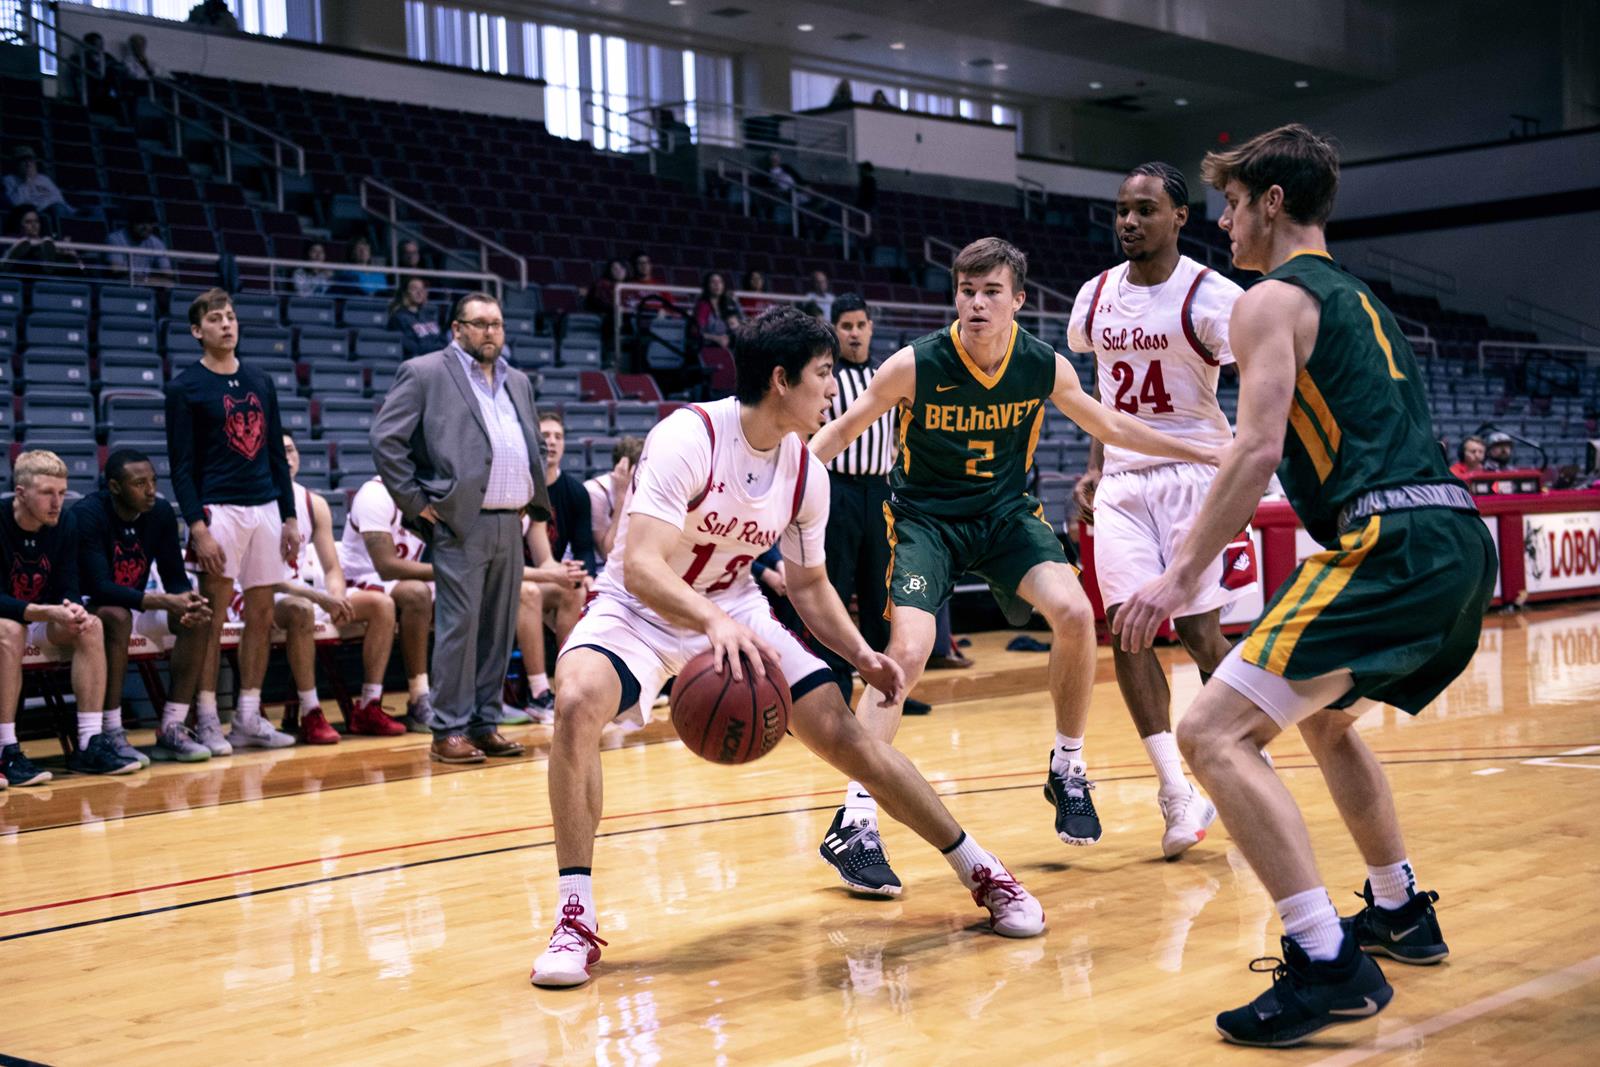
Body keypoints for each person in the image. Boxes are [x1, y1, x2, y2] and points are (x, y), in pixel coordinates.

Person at [1113, 124, 1496, 1047]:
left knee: (1211, 728)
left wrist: (1177, 576)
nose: (1223, 218)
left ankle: (1326, 958)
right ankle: (1400, 908)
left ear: (1272, 203)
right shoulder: (1362, 297)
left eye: (1234, 201)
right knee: (1324, 717)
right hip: (1457, 538)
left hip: (1391, 538)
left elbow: (1254, 449)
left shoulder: (1268, 299)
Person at [530, 306, 1046, 989]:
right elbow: (641, 566)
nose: (833, 389)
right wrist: (710, 623)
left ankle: (983, 871)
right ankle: (574, 917)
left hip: (736, 606)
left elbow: (808, 585)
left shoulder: (806, 469)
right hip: (642, 609)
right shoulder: (689, 435)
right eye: (824, 374)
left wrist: (862, 652)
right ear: (781, 380)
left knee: (853, 737)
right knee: (575, 703)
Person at [809, 237, 1222, 894]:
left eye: (990, 291)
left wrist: (1195, 449)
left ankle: (1068, 767)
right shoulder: (914, 364)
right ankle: (856, 817)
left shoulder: (1044, 366)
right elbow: (837, 433)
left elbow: (1110, 426)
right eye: (966, 291)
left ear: (1018, 300)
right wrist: (777, 492)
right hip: (926, 523)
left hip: (1005, 518)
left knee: (1077, 613)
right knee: (908, 653)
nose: (975, 303)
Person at [1067, 162, 1252, 859]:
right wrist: (1093, 467)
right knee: (1128, 631)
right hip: (1121, 481)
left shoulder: (1213, 295)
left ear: (1180, 216)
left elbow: (1270, 374)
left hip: (1195, 475)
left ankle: (1239, 752)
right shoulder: (1094, 297)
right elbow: (1099, 394)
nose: (1128, 221)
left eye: (1145, 209)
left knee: (1202, 636)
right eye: (1121, 209)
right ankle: (1175, 789)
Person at [370, 291, 554, 764]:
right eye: (480, 324)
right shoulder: (426, 372)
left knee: (497, 629)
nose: (490, 331)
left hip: (509, 521)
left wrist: (528, 496)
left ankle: (484, 722)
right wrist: (416, 503)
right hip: (461, 523)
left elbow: (525, 441)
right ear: (456, 329)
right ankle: (448, 728)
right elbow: (386, 439)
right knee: (459, 627)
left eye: (496, 323)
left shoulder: (517, 380)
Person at [165, 288, 302, 755]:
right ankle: (206, 717)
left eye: (231, 317)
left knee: (261, 615)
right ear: (197, 331)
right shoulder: (184, 388)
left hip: (264, 506)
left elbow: (275, 457)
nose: (227, 324)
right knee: (213, 616)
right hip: (217, 508)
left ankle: (247, 715)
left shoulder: (261, 380)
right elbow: (180, 466)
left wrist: (288, 516)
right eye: (216, 319)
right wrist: (197, 526)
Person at [74, 449, 215, 766]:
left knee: (198, 619)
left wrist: (188, 601)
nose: (151, 490)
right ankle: (110, 730)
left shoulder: (161, 512)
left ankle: (172, 726)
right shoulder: (89, 514)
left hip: (138, 604)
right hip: (88, 609)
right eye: (140, 484)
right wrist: (166, 600)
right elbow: (99, 587)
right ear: (114, 487)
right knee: (116, 614)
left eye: (153, 480)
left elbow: (174, 577)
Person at [1, 451, 129, 784]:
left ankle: (88, 743)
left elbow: (67, 585)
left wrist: (72, 609)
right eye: (47, 493)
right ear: (21, 493)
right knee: (10, 630)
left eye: (61, 492)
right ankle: (7, 749)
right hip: (10, 621)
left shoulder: (65, 522)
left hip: (38, 617)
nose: (56, 502)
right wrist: (43, 611)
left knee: (90, 626)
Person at [271, 434, 406, 744]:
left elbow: (333, 568)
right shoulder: (255, 502)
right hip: (262, 597)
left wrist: (336, 596)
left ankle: (369, 705)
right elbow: (260, 579)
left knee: (382, 605)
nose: (287, 457)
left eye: (291, 450)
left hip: (304, 594)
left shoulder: (312, 502)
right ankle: (311, 711)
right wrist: (318, 596)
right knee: (301, 609)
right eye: (280, 452)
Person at [816, 294, 895, 703]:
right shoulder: (826, 378)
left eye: (860, 324)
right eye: (846, 326)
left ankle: (885, 685)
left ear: (870, 327)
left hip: (880, 490)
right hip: (838, 489)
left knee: (880, 591)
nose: (854, 332)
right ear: (835, 330)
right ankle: (836, 685)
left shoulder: (885, 376)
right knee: (836, 585)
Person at [337, 475, 437, 732]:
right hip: (358, 582)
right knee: (417, 593)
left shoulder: (428, 494)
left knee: (466, 592)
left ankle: (475, 695)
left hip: (399, 582)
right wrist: (450, 571)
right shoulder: (375, 494)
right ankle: (419, 696)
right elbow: (386, 567)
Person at [584, 436, 643, 564]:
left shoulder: (644, 489)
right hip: (597, 570)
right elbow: (608, 552)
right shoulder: (595, 491)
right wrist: (622, 497)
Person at [2, 206, 84, 276]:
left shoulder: (47, 241)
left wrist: (69, 253)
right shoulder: (10, 239)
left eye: (37, 221)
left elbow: (80, 268)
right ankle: (6, 263)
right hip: (19, 270)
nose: (34, 225)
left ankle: (48, 264)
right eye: (28, 222)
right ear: (19, 224)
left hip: (43, 272)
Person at [4, 148, 73, 231]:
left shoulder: (44, 179)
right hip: (38, 215)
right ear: (16, 164)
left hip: (58, 210)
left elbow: (60, 200)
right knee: (57, 210)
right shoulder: (9, 180)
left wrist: (76, 211)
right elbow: (17, 204)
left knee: (92, 210)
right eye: (23, 161)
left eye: (31, 160)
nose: (28, 164)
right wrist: (26, 180)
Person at [106, 209, 174, 287]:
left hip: (145, 286)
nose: (146, 227)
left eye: (150, 223)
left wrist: (150, 280)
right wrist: (147, 280)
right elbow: (116, 271)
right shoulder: (115, 238)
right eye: (141, 222)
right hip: (119, 285)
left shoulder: (156, 242)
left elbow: (168, 272)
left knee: (169, 285)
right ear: (131, 223)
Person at [388, 276, 443, 358]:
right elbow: (410, 346)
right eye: (414, 289)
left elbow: (442, 340)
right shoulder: (398, 318)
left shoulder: (429, 316)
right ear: (405, 293)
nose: (419, 292)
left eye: (422, 289)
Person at [692, 272, 740, 350]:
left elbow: (739, 325)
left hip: (728, 345)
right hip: (708, 346)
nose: (717, 285)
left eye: (720, 282)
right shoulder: (703, 306)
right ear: (707, 285)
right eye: (713, 282)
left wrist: (736, 303)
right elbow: (697, 332)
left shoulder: (728, 304)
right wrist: (717, 338)